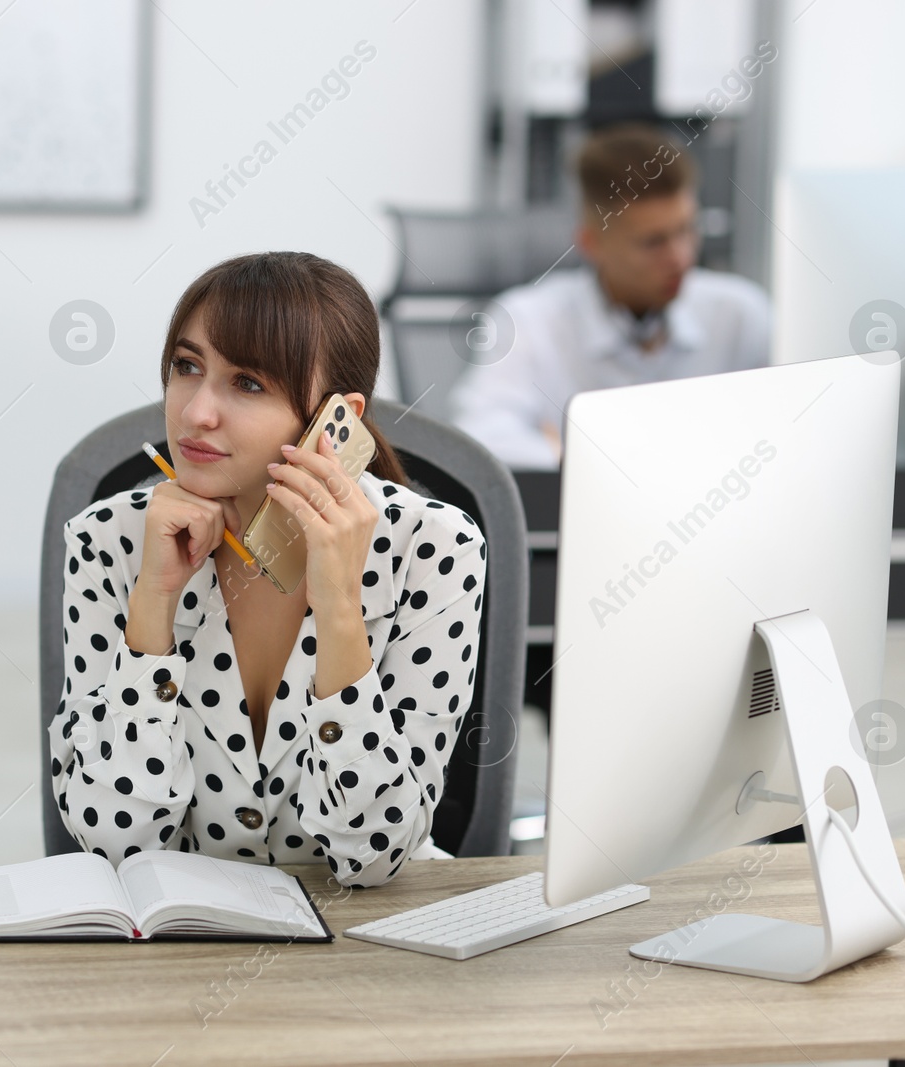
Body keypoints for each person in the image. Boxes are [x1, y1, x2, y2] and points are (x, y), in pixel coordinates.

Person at [49, 252, 488, 888]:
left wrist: (340, 605)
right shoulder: (109, 540)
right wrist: (155, 600)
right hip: (179, 939)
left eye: (248, 383)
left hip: (368, 943)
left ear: (336, 420)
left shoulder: (433, 547)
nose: (196, 412)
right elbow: (113, 837)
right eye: (186, 367)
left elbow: (372, 857)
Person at [449, 124, 772, 468]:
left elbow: (790, 431)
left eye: (687, 230)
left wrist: (571, 453)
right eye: (653, 242)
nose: (681, 257)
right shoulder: (526, 318)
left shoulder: (741, 313)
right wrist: (614, 466)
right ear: (592, 243)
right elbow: (479, 438)